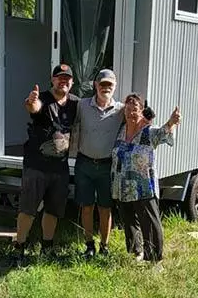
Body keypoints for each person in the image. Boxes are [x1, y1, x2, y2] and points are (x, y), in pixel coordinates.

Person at [12, 64, 79, 266]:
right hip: (36, 165)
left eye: (67, 78)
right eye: (59, 77)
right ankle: (19, 248)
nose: (63, 81)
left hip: (60, 166)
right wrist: (31, 102)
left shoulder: (76, 103)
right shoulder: (43, 99)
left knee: (53, 209)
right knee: (28, 208)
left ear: (72, 82)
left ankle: (47, 248)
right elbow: (34, 107)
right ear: (52, 79)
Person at [111, 94, 181, 264]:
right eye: (127, 109)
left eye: (134, 108)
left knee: (149, 221)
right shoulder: (121, 131)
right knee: (129, 221)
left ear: (141, 111)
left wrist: (172, 122)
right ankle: (136, 251)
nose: (130, 112)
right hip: (121, 185)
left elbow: (163, 132)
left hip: (143, 187)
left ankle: (154, 259)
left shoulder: (148, 132)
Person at [71, 69, 124, 258]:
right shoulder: (82, 105)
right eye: (102, 84)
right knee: (86, 207)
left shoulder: (121, 109)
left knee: (105, 207)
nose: (106, 88)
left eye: (109, 84)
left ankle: (105, 246)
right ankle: (89, 245)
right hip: (84, 163)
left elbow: (139, 120)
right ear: (95, 85)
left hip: (107, 166)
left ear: (115, 86)